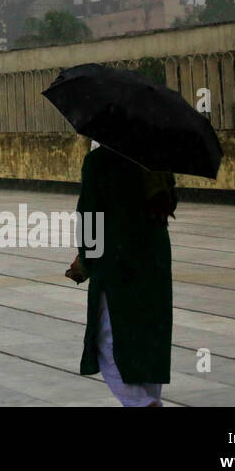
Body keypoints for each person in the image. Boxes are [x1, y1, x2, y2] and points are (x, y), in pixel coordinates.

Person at [66, 142, 174, 407]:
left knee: (109, 342)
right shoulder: (157, 159)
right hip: (153, 263)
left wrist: (86, 261)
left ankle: (141, 403)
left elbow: (90, 216)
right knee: (148, 339)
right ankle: (148, 400)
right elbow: (169, 204)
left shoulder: (99, 161)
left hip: (116, 265)